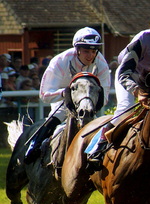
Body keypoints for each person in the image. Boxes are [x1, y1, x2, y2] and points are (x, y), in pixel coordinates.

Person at [86, 6, 150, 166]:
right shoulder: (142, 40)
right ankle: (98, 146)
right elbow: (124, 72)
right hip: (132, 76)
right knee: (126, 109)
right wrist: (138, 92)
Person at [24, 27, 110, 164]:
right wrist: (65, 93)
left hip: (87, 101)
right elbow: (45, 95)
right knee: (56, 117)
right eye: (86, 51)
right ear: (77, 50)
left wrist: (88, 102)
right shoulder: (60, 61)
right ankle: (34, 146)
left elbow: (104, 98)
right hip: (63, 99)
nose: (90, 56)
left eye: (94, 51)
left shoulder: (102, 64)